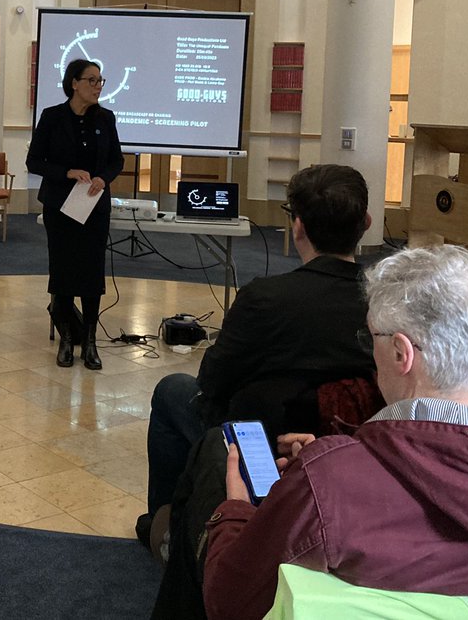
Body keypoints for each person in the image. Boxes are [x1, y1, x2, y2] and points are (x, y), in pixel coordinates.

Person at [199, 245, 468, 620]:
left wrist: (235, 512)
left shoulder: (332, 483)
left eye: (371, 337)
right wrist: (334, 466)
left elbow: (229, 603)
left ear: (402, 354)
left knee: (212, 463)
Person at [142, 164, 374, 524]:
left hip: (263, 451)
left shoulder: (263, 298)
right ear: (367, 223)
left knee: (174, 389)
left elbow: (212, 383)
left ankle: (166, 525)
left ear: (298, 227)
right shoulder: (389, 305)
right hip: (351, 454)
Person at [26, 59, 124, 371]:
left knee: (93, 272)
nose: (98, 86)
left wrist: (103, 177)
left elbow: (116, 160)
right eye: (92, 80)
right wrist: (67, 172)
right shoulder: (52, 117)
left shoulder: (105, 118)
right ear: (74, 83)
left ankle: (91, 342)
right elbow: (34, 162)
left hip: (94, 206)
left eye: (100, 81)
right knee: (64, 270)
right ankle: (67, 339)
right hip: (60, 206)